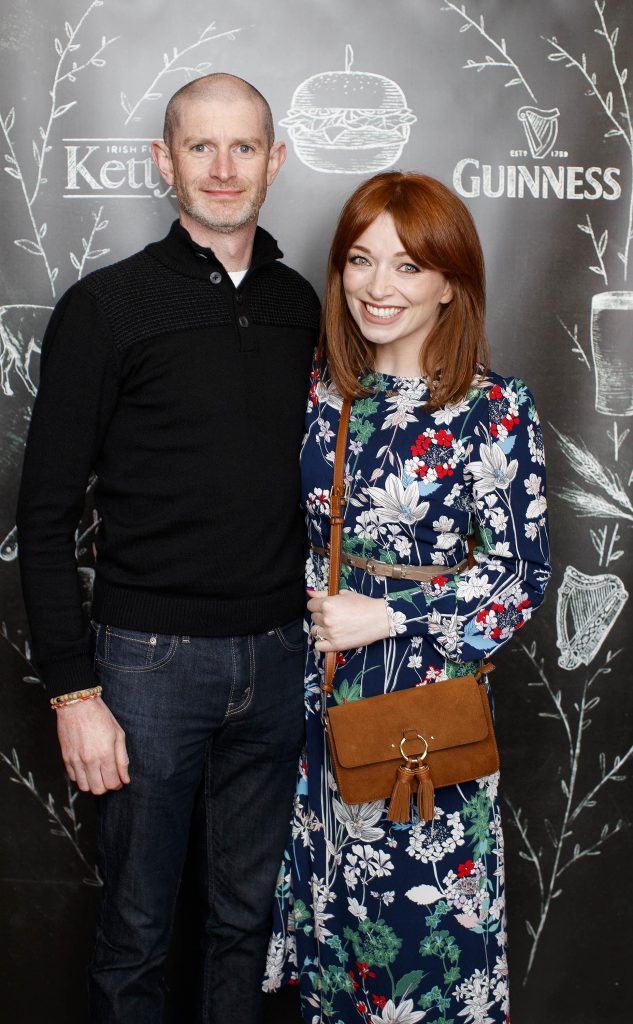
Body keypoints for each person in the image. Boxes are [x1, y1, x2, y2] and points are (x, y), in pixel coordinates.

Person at [16, 74, 320, 1023]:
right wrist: (74, 693)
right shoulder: (106, 307)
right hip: (147, 668)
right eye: (200, 147)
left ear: (275, 163)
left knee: (245, 925)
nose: (222, 169)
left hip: (278, 663)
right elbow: (45, 513)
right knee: (139, 931)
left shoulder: (300, 306)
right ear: (164, 160)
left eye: (243, 149)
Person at [265, 172, 551, 1022]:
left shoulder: (492, 409)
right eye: (360, 260)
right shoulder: (320, 396)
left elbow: (517, 577)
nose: (377, 288)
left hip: (417, 709)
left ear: (449, 283)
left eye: (406, 267)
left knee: (420, 934)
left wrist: (387, 613)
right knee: (328, 928)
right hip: (307, 701)